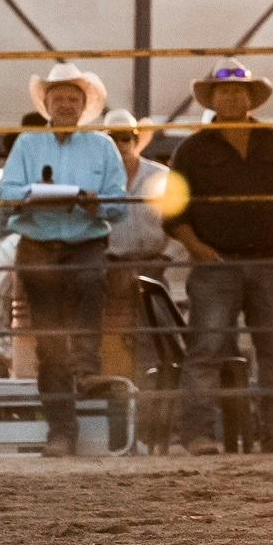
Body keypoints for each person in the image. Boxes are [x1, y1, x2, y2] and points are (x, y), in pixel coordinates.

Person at [169, 61, 273, 456]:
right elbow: (172, 212)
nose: (233, 96)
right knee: (208, 348)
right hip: (216, 263)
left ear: (250, 97)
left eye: (239, 90)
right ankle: (199, 434)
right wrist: (197, 247)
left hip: (268, 261)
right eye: (225, 91)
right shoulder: (192, 149)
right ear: (212, 98)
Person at [0, 63, 128, 457]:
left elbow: (118, 203)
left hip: (84, 239)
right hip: (39, 241)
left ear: (83, 104)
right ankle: (62, 427)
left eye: (73, 99)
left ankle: (86, 370)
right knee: (50, 341)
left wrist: (95, 203)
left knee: (89, 283)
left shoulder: (103, 146)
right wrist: (32, 195)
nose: (66, 105)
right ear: (47, 104)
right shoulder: (27, 143)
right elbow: (7, 190)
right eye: (60, 99)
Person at [98, 107, 177, 406]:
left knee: (157, 338)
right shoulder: (96, 183)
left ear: (135, 140)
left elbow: (179, 222)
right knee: (112, 340)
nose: (121, 145)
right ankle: (120, 402)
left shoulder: (161, 177)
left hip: (154, 266)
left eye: (126, 138)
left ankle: (153, 406)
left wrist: (166, 258)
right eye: (114, 139)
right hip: (110, 268)